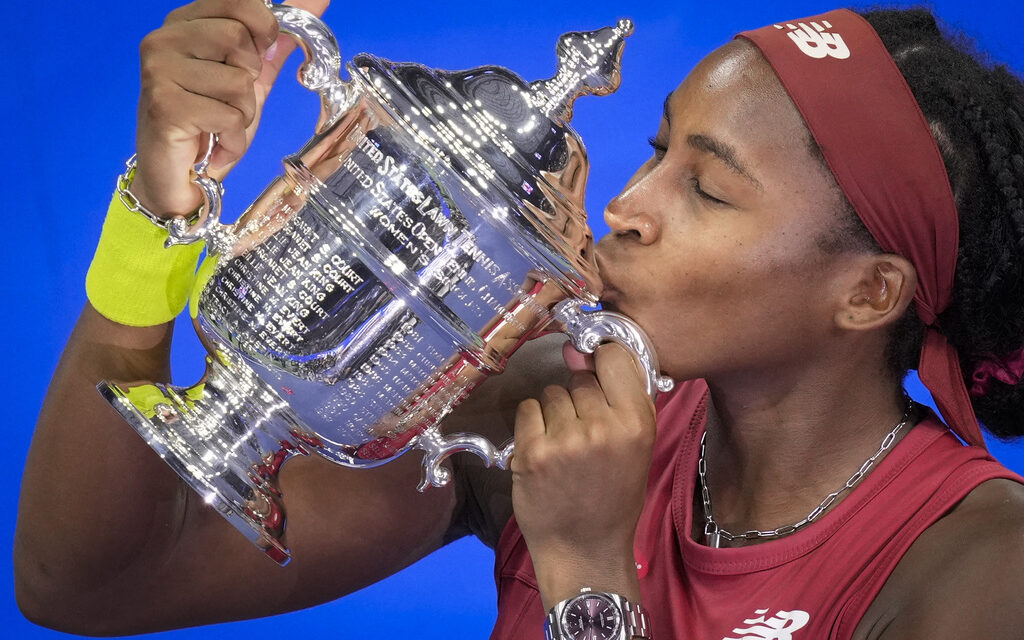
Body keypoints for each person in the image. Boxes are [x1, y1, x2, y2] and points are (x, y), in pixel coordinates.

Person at [14, 0, 1024, 638]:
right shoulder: (535, 403)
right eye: (657, 149)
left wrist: (586, 575)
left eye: (708, 190)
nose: (626, 206)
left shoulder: (980, 566)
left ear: (867, 293)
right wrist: (160, 220)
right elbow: (89, 584)